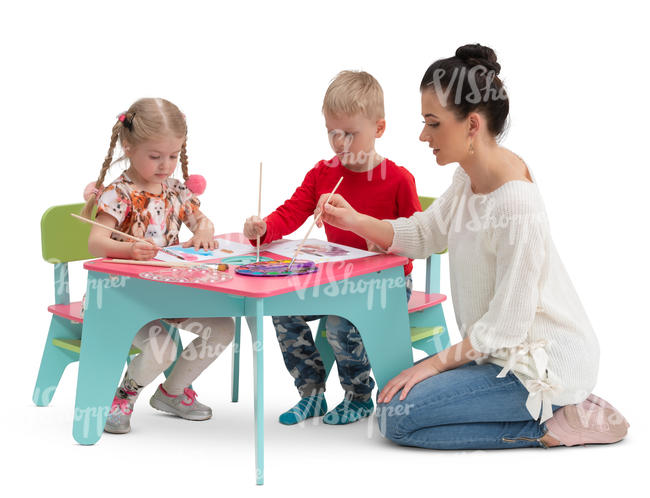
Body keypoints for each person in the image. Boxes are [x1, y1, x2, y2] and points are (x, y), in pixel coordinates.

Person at [314, 44, 629, 448]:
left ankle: (555, 421)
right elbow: (427, 233)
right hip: (495, 354)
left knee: (396, 418)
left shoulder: (517, 204)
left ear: (472, 125)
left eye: (433, 123)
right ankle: (549, 412)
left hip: (538, 367)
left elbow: (506, 327)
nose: (423, 135)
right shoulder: (469, 177)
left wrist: (431, 367)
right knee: (391, 398)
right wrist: (355, 220)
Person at [243, 71, 422, 425]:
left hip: (386, 283)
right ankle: (311, 394)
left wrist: (380, 241)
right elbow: (290, 213)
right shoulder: (323, 173)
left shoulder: (398, 179)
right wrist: (262, 229)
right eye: (332, 132)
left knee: (342, 322)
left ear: (379, 128)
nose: (339, 142)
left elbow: (418, 239)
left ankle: (358, 395)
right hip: (335, 279)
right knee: (283, 306)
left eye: (350, 134)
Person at [82, 98, 235, 434]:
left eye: (173, 156)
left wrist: (205, 230)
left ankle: (172, 392)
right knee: (163, 348)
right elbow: (95, 243)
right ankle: (124, 395)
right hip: (120, 297)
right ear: (128, 146)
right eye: (155, 157)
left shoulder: (176, 191)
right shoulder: (117, 193)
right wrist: (128, 249)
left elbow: (200, 221)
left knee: (223, 328)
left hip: (165, 294)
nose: (166, 165)